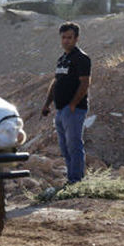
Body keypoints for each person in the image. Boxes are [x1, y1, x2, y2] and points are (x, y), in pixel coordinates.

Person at [40, 22, 91, 185]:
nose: (66, 41)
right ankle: (71, 178)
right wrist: (47, 103)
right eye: (63, 38)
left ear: (76, 39)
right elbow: (56, 82)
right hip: (60, 110)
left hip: (74, 110)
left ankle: (77, 181)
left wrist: (73, 105)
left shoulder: (82, 58)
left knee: (74, 145)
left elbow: (85, 83)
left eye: (69, 38)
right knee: (65, 147)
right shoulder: (62, 59)